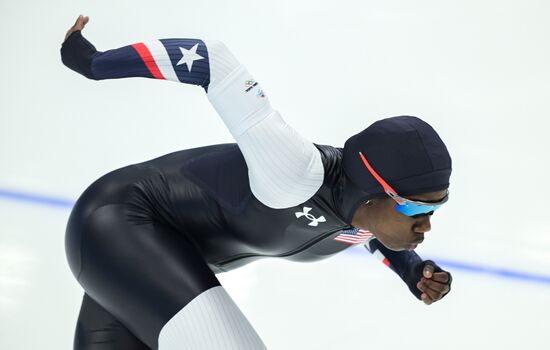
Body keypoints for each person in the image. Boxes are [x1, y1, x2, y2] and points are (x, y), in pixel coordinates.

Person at [61, 15, 453, 350]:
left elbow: (370, 232)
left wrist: (411, 270)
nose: (427, 223)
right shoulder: (295, 171)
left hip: (161, 261)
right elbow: (213, 63)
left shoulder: (369, 211)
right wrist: (92, 62)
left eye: (436, 208)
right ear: (373, 190)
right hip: (120, 225)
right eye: (416, 207)